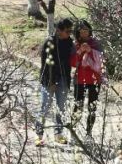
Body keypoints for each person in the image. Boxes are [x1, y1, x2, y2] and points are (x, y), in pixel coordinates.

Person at [35, 18, 75, 146]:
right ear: (58, 30)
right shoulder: (50, 42)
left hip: (64, 79)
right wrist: (50, 82)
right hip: (49, 80)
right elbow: (46, 65)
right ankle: (39, 135)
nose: (69, 34)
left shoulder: (69, 42)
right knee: (44, 107)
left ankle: (59, 134)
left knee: (61, 108)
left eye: (70, 31)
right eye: (67, 31)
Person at [69, 20, 104, 138]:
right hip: (80, 79)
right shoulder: (75, 45)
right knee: (78, 106)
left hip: (95, 80)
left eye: (86, 30)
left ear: (90, 31)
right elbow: (72, 63)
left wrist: (90, 51)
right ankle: (73, 132)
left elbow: (102, 60)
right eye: (81, 31)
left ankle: (89, 134)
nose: (84, 33)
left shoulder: (96, 43)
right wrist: (79, 51)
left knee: (92, 107)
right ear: (77, 32)